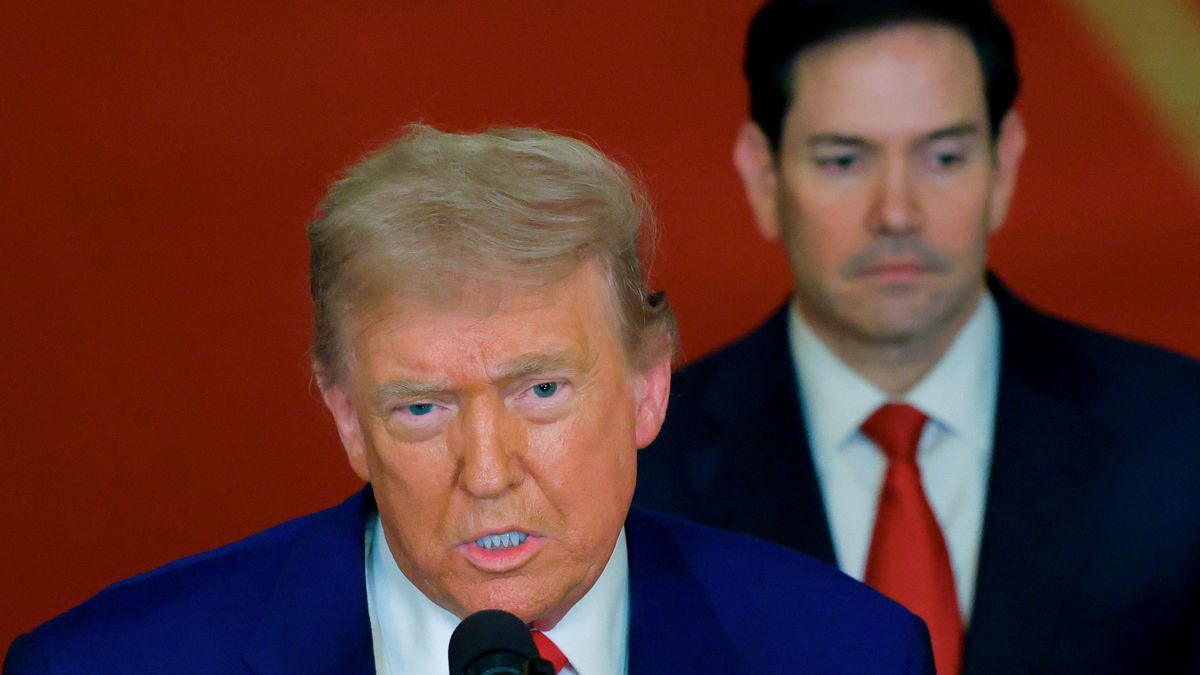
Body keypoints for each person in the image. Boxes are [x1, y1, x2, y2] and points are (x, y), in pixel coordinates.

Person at [5, 125, 934, 674]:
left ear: (649, 387)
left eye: (540, 389)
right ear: (345, 416)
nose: (486, 472)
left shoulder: (846, 654)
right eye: (421, 407)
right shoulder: (106, 668)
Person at [634, 1, 1200, 674]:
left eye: (944, 156)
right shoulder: (641, 462)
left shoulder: (1179, 437)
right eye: (844, 159)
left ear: (1005, 163)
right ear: (764, 176)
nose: (896, 212)